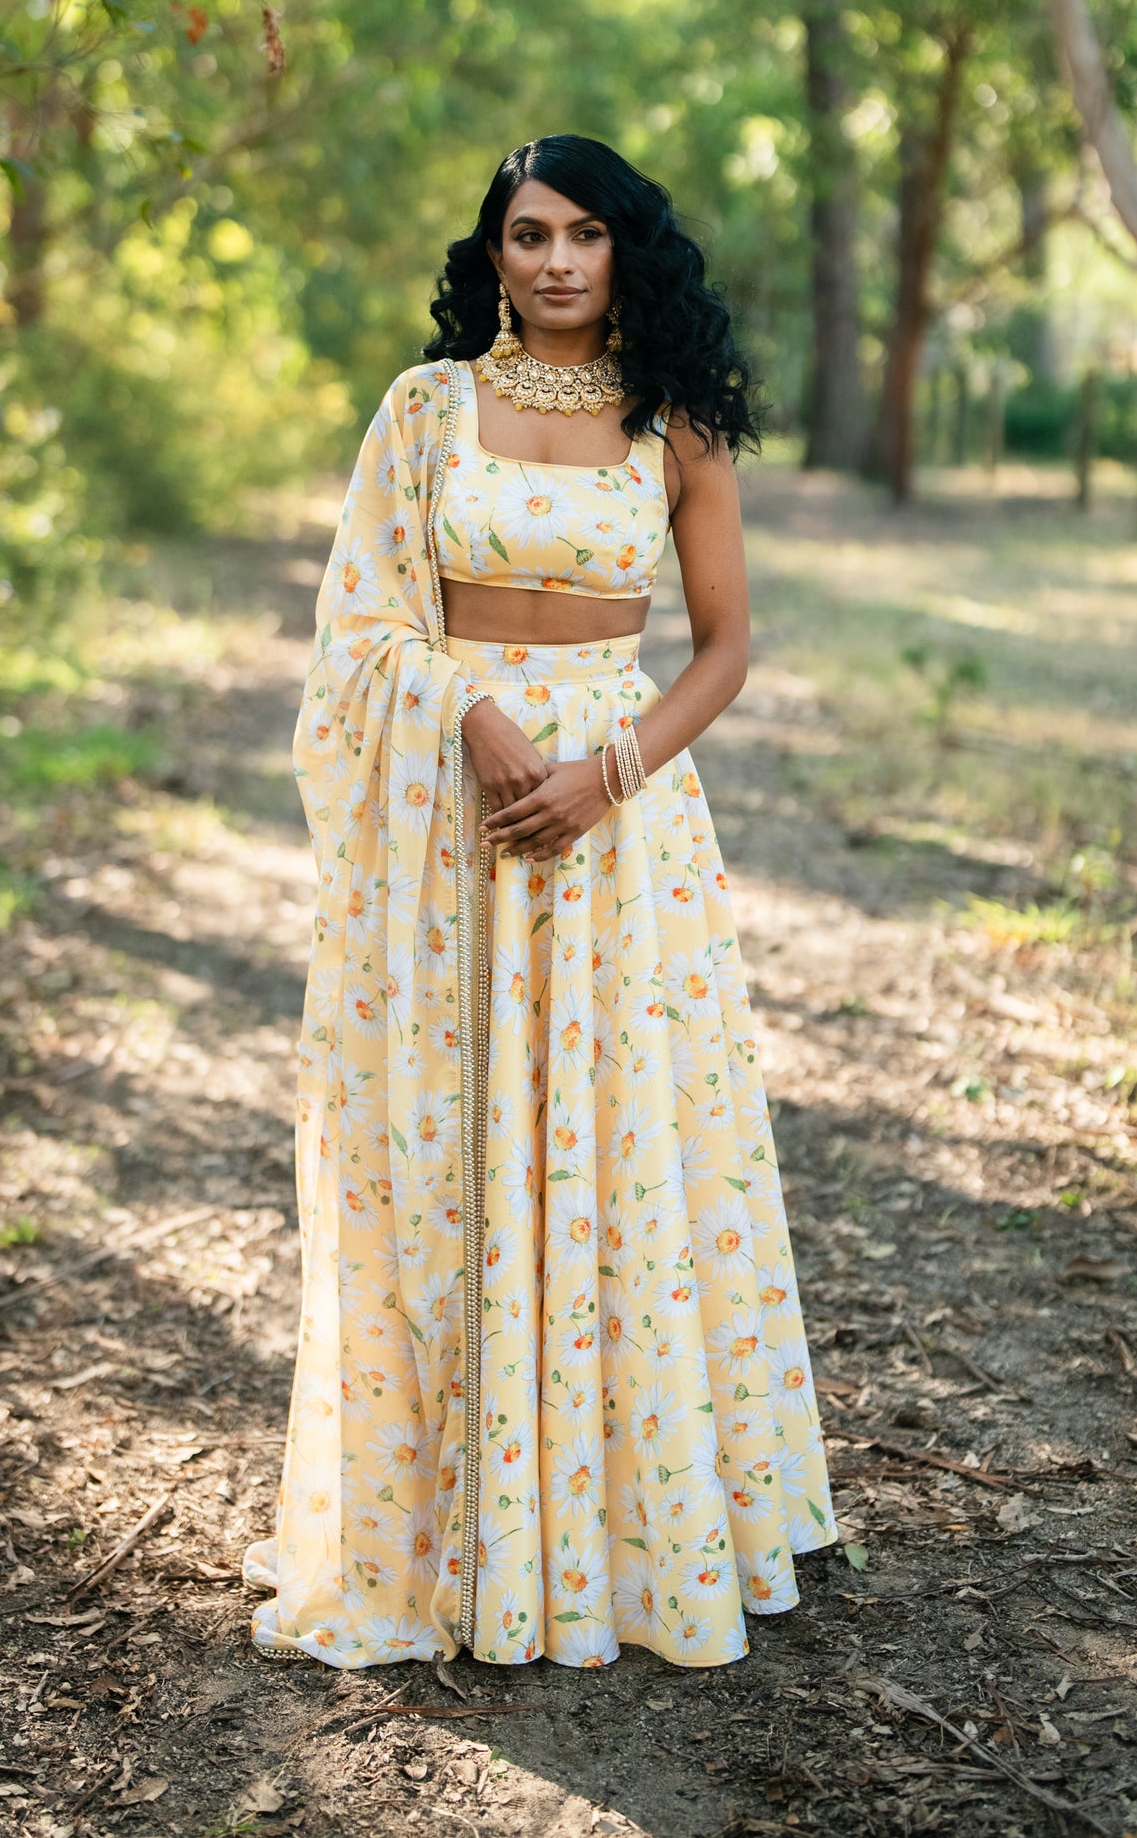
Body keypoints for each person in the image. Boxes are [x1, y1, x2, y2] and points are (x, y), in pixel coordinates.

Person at [244, 135, 832, 1670]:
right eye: (527, 235)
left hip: (617, 829)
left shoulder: (673, 424)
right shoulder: (426, 409)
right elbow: (360, 620)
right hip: (449, 823)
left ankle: (623, 1528)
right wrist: (462, 712)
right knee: (446, 1144)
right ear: (490, 256)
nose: (557, 261)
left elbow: (720, 648)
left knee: (622, 1148)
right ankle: (449, 1533)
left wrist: (607, 770)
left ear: (625, 251)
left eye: (584, 234)